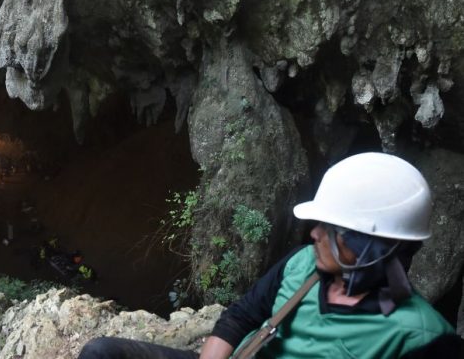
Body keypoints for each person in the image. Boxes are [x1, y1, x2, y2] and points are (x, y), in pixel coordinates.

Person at [78, 153, 459, 359]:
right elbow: (241, 316)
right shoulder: (303, 264)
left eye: (329, 230)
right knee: (102, 353)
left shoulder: (422, 339)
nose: (314, 234)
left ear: (371, 248)